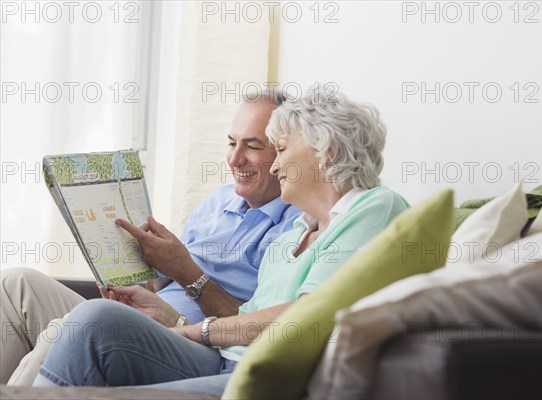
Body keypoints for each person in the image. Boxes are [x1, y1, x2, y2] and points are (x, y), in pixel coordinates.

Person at [33, 87, 410, 396]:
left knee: (92, 321)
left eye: (279, 150)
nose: (275, 167)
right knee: (97, 319)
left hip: (271, 376)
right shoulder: (297, 233)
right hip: (223, 357)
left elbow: (303, 319)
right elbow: (245, 321)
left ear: (324, 153)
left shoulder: (374, 206)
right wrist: (168, 316)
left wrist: (190, 329)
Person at [0, 89, 301, 385]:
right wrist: (133, 265)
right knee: (15, 284)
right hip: (150, 319)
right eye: (232, 143)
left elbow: (261, 325)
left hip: (199, 345)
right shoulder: (218, 201)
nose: (234, 159)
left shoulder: (298, 228)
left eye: (253, 146)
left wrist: (187, 273)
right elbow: (161, 284)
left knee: (68, 326)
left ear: (285, 151)